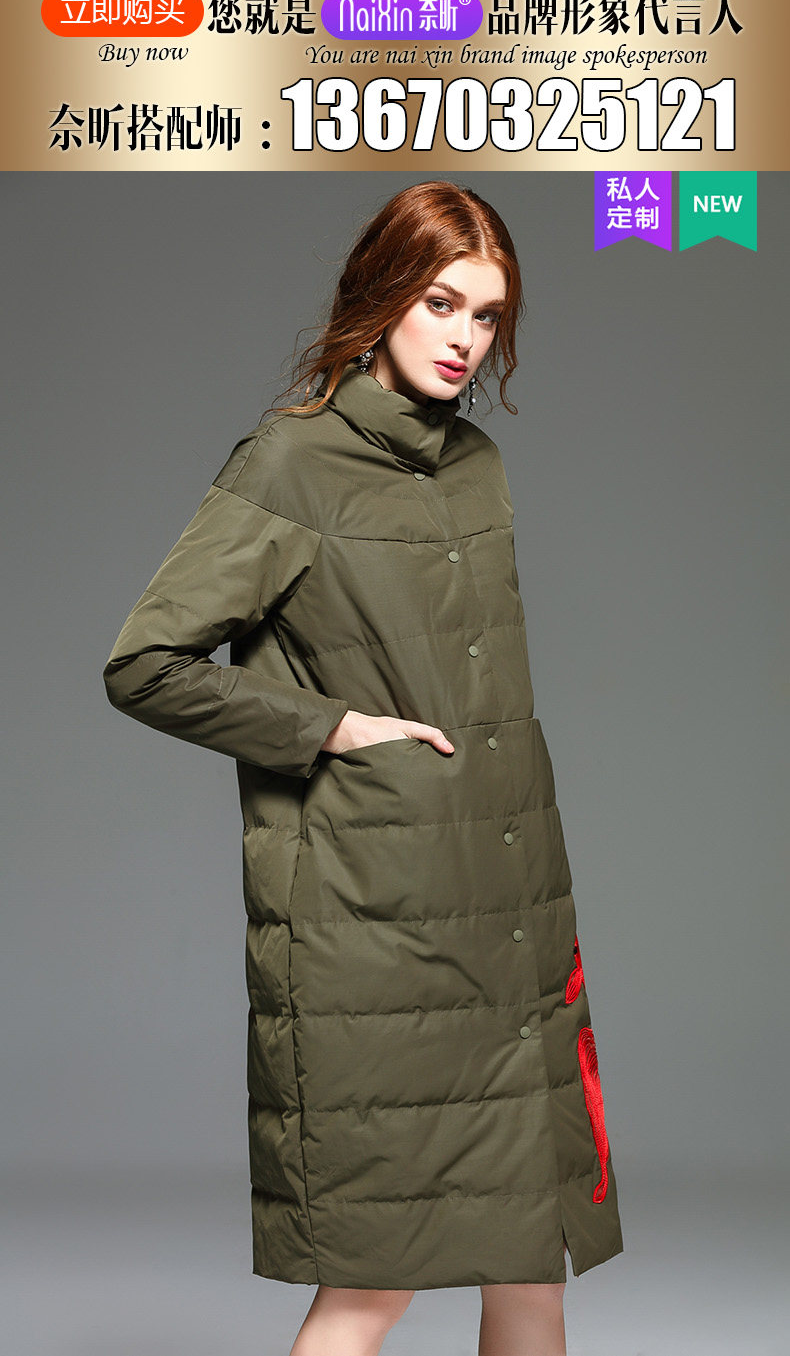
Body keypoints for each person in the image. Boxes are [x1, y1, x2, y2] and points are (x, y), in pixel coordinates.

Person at [102, 180, 624, 1356]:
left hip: (510, 922)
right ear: (379, 294)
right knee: (371, 1287)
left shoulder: (477, 465)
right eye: (440, 302)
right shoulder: (289, 463)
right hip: (371, 935)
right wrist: (333, 728)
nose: (463, 337)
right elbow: (145, 664)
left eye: (486, 315)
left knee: (530, 1267)